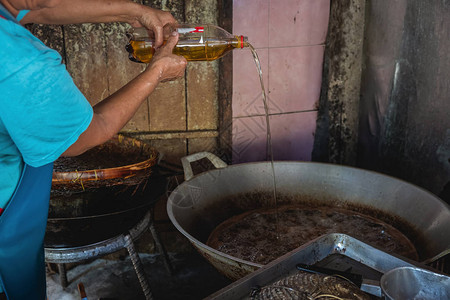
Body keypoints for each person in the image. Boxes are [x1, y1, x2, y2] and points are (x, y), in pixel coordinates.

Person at [0, 0, 187, 298]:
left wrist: (135, 12)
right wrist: (156, 73)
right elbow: (88, 133)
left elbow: (36, 10)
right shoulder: (20, 60)